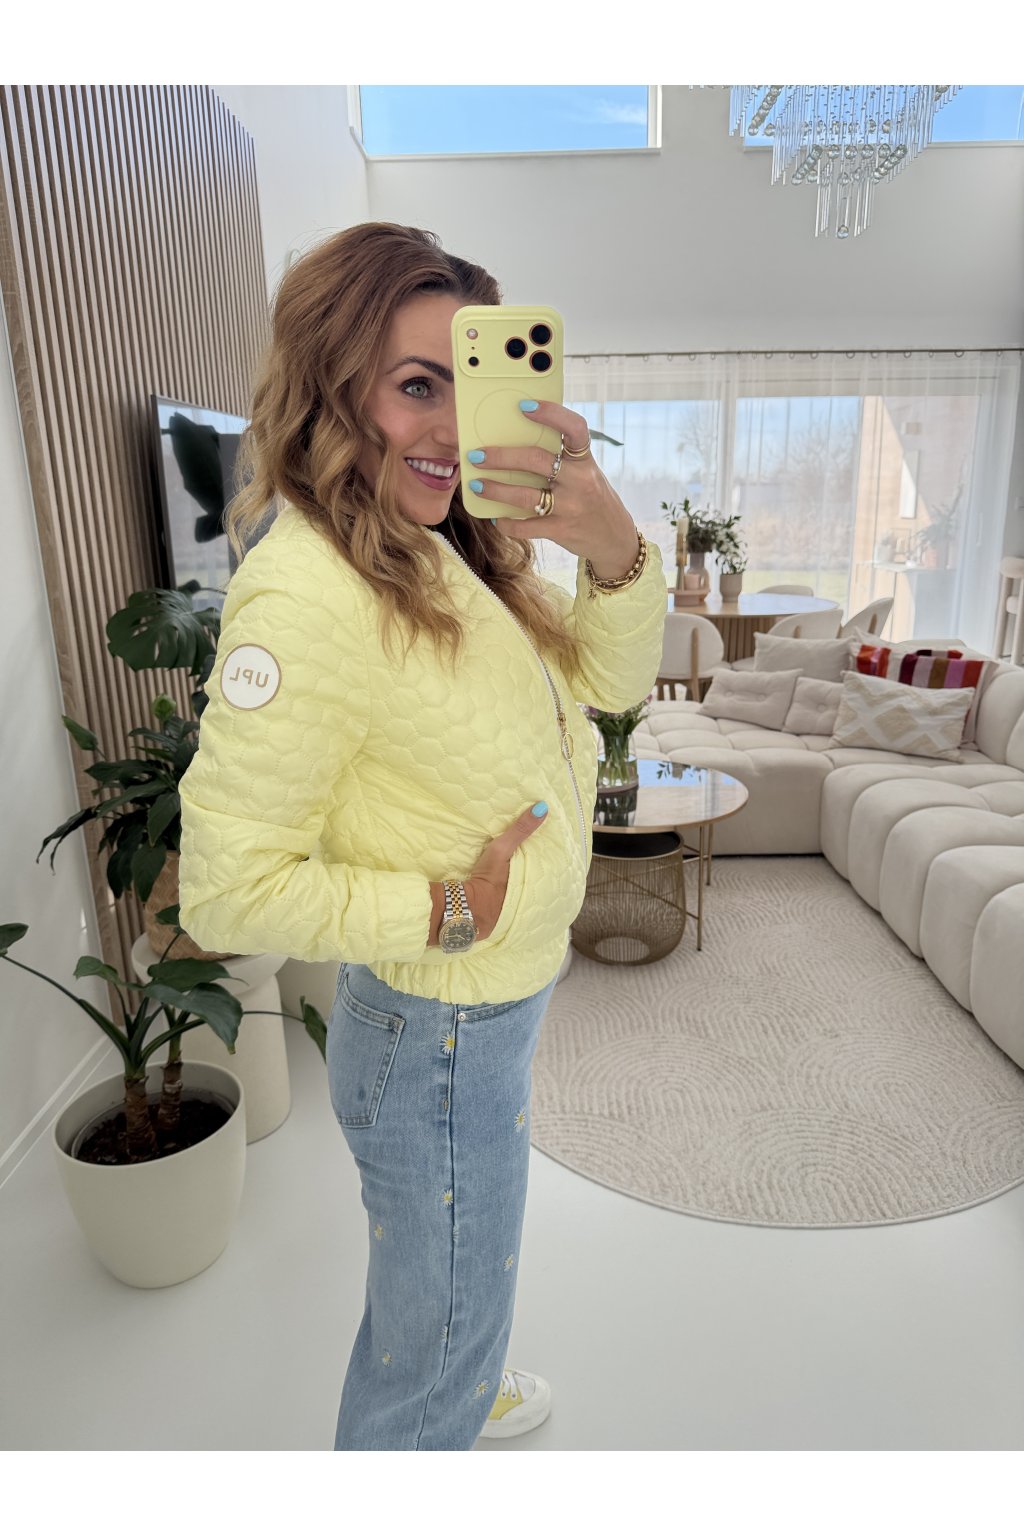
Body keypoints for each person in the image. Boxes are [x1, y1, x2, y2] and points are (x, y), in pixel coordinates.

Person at [177, 221, 666, 1451]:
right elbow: (225, 892)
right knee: (428, 1355)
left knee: (445, 1285)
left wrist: (610, 546)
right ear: (330, 387)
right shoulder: (306, 596)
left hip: (479, 1013)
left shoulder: (449, 548)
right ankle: (441, 1391)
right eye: (414, 385)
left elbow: (607, 690)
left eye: (468, 383)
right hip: (440, 1027)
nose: (451, 428)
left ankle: (459, 1352)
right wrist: (448, 909)